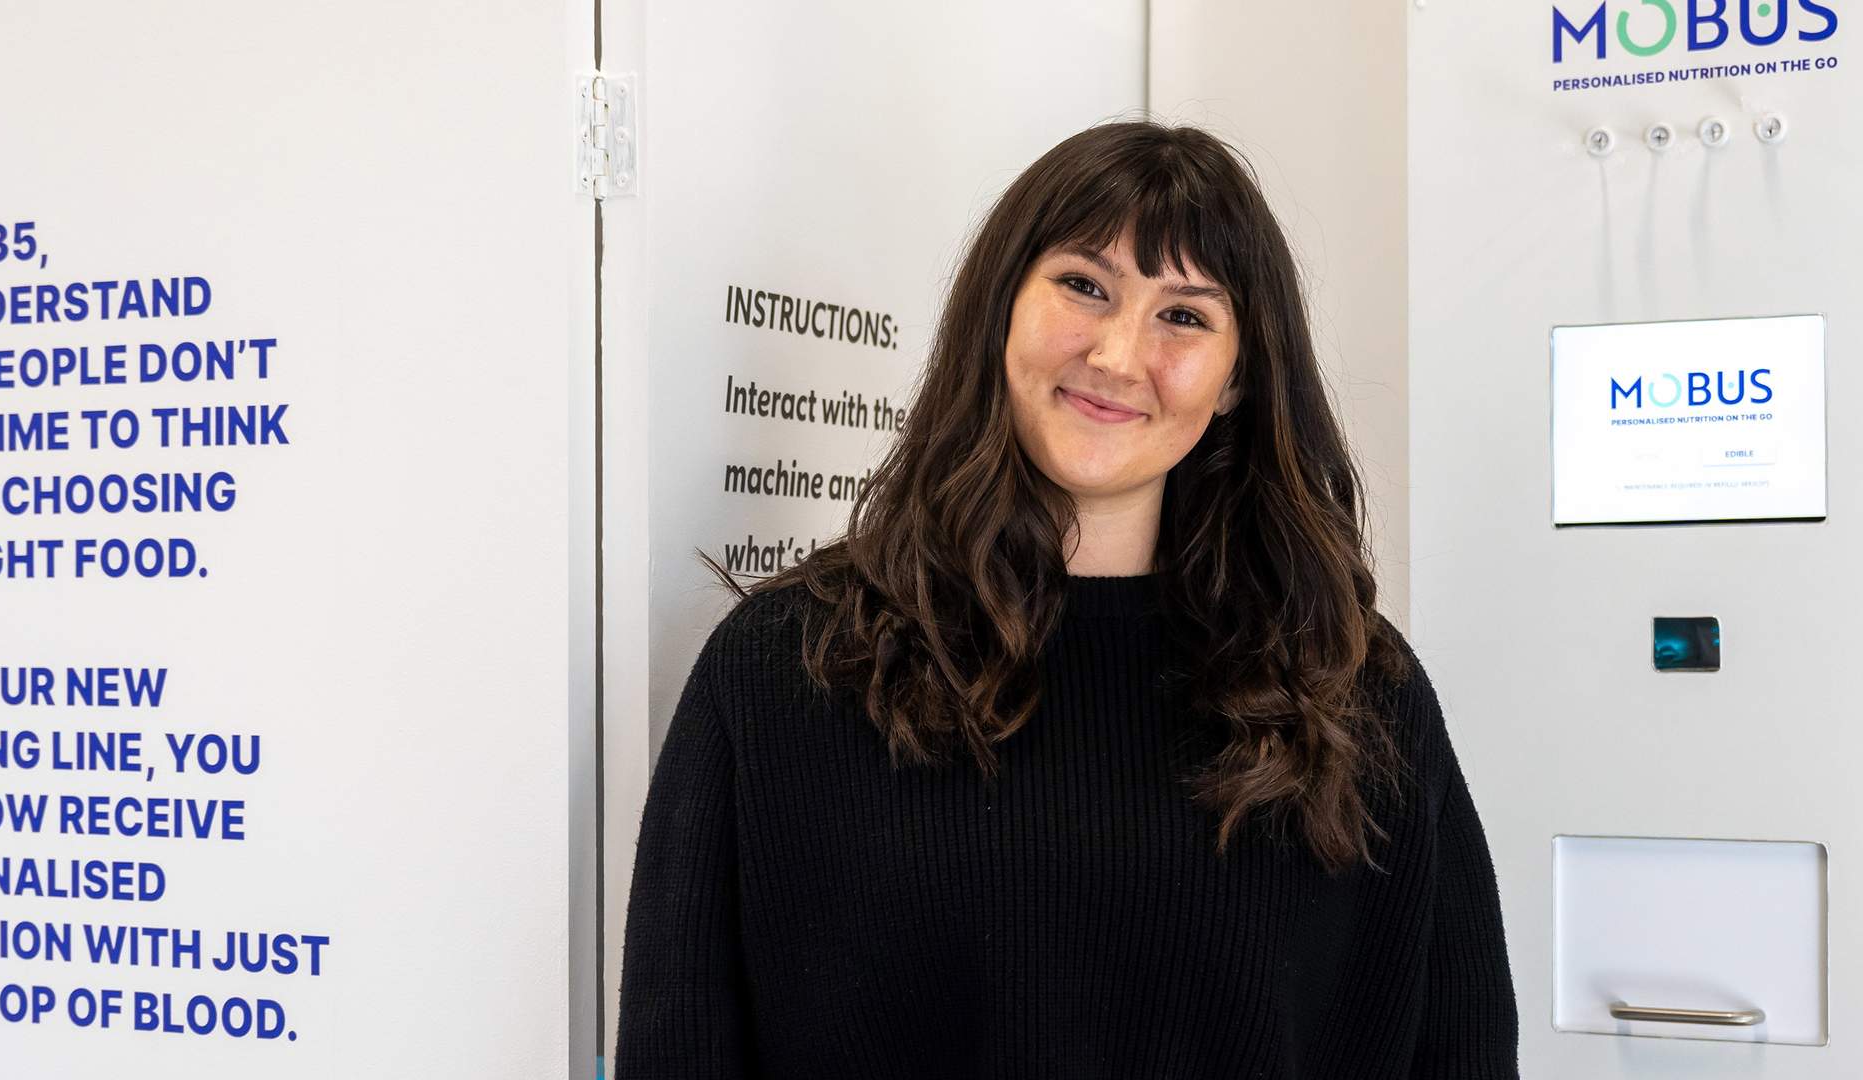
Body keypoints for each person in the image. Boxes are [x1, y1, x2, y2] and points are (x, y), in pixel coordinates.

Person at [615, 119, 1518, 1078]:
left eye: (1185, 317)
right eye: (1085, 286)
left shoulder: (1349, 688)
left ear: (1237, 380)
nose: (1120, 357)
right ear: (1001, 305)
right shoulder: (787, 666)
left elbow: (1459, 1049)